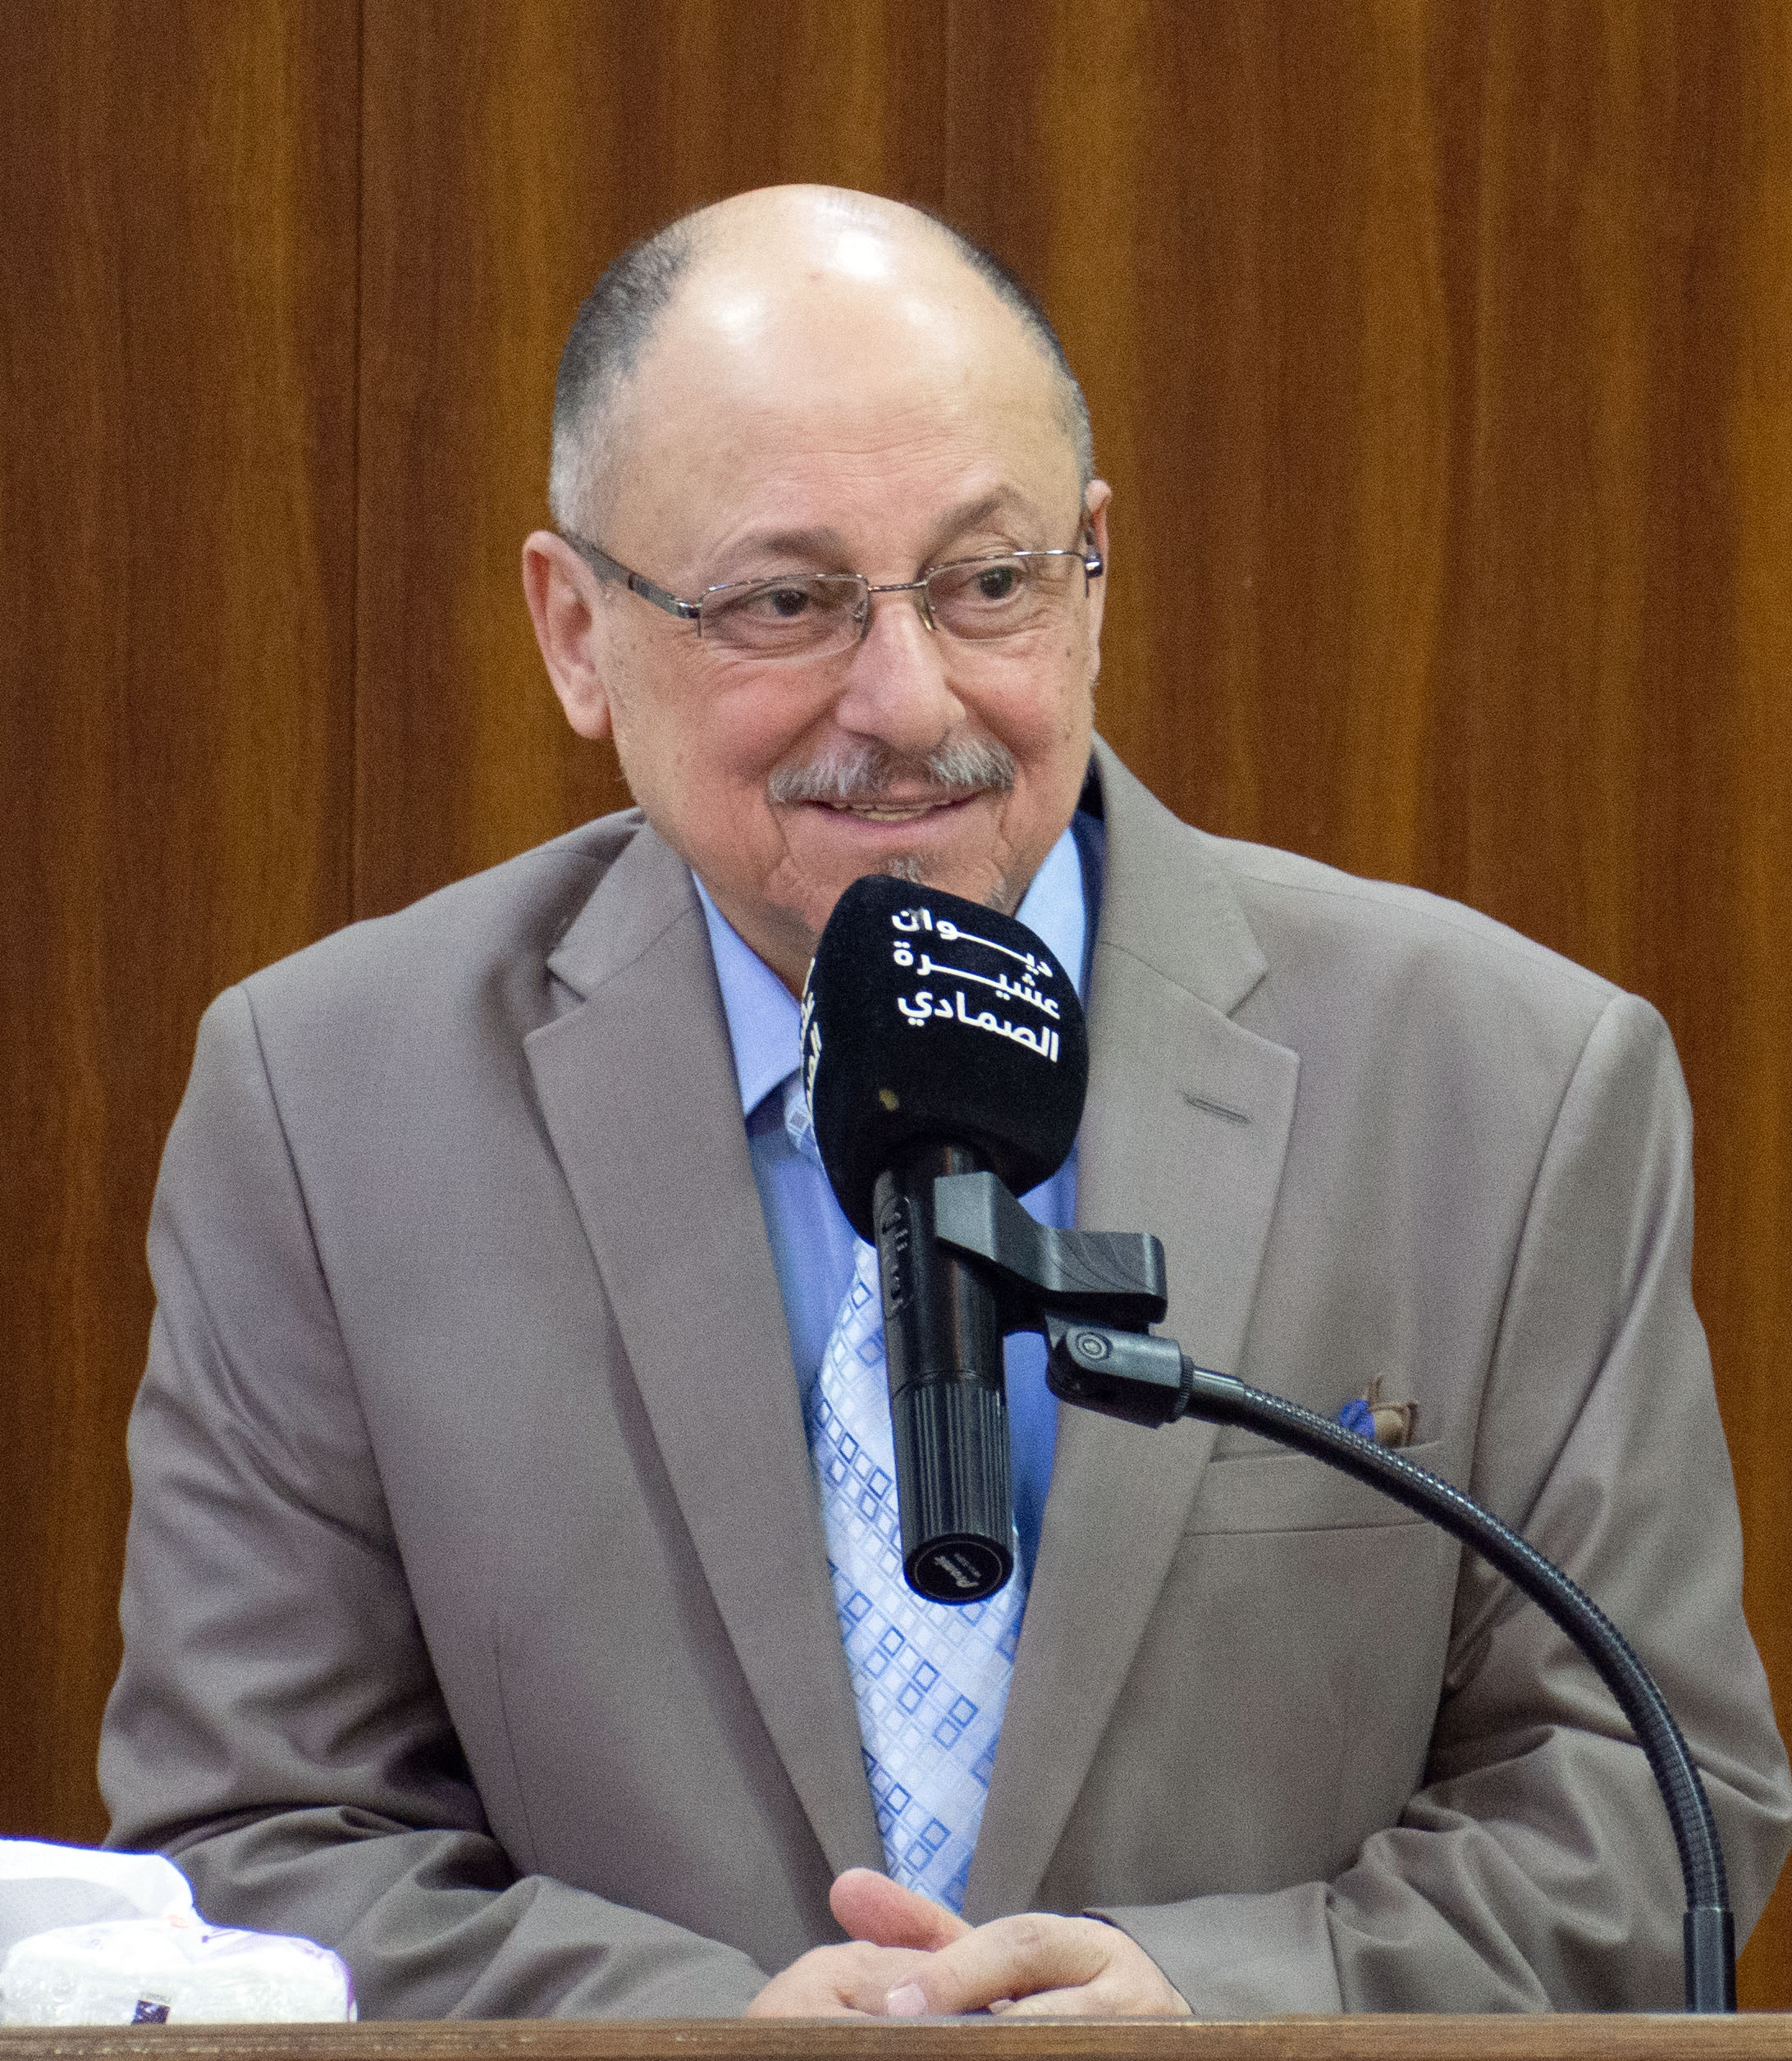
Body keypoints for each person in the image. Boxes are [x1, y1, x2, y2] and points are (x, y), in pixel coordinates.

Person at [100, 185, 1791, 2020]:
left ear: (1092, 573)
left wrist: (1213, 2007)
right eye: (786, 601)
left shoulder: (1506, 1085)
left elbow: (1648, 1807)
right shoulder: (329, 1108)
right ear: (577, 630)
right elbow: (254, 1839)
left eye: (989, 584)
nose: (907, 702)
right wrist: (700, 2041)